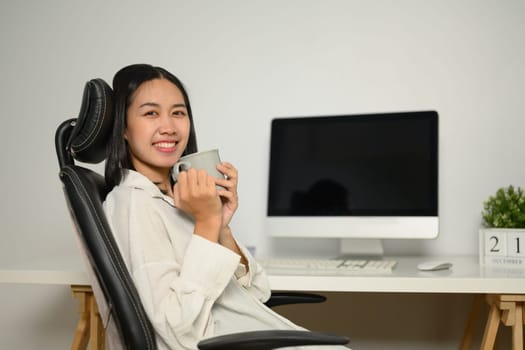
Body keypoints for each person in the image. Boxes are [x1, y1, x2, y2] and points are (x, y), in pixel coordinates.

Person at [103, 64, 349, 350]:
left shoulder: (175, 202)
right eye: (151, 113)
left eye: (178, 112)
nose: (169, 127)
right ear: (123, 128)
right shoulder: (135, 203)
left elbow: (257, 293)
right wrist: (206, 222)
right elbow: (176, 330)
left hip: (246, 334)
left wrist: (220, 225)